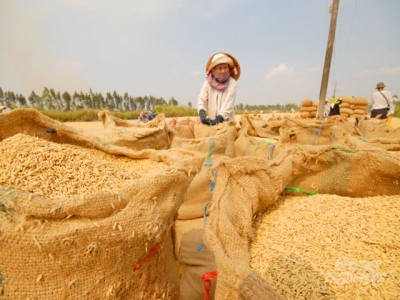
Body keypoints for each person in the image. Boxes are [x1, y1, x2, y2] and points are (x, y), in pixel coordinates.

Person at [197, 52, 241, 125]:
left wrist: (219, 118)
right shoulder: (207, 83)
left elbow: (228, 105)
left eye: (225, 68)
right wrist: (201, 111)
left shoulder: (232, 83)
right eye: (220, 68)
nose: (223, 71)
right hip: (211, 123)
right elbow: (201, 100)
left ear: (228, 68)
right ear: (214, 70)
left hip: (227, 123)